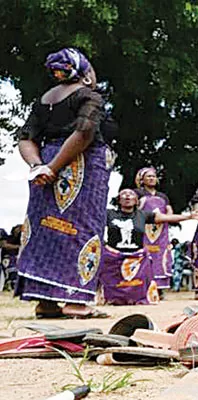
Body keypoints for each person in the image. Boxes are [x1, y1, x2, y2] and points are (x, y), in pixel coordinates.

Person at [15, 48, 113, 318]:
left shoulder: (44, 100)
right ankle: (76, 302)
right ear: (83, 71)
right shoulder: (88, 96)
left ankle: (46, 302)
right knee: (83, 228)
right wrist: (54, 167)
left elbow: (25, 137)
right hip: (81, 167)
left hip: (46, 167)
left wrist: (39, 166)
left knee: (45, 231)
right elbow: (84, 134)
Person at [99, 189, 198, 305]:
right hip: (114, 257)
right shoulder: (109, 214)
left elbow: (167, 218)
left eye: (131, 194)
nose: (127, 196)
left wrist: (189, 216)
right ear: (118, 199)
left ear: (136, 200)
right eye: (124, 194)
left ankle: (138, 298)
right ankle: (110, 299)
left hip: (137, 257)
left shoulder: (143, 215)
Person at [135, 167, 174, 294]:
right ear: (142, 180)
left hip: (161, 231)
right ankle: (142, 285)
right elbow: (135, 211)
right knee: (144, 255)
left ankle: (160, 289)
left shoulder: (163, 196)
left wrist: (165, 217)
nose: (152, 179)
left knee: (161, 257)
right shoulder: (138, 193)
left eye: (153, 176)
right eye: (148, 176)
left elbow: (170, 212)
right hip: (144, 230)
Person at [0, 225, 21, 291]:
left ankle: (11, 285)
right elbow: (4, 245)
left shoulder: (21, 239)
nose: (19, 230)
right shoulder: (7, 236)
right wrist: (19, 247)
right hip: (8, 258)